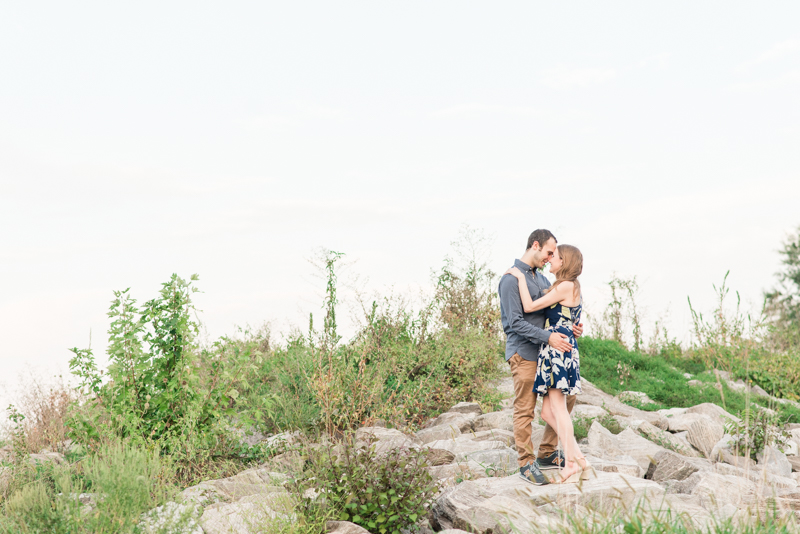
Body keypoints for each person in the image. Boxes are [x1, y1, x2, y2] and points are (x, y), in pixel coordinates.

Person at [498, 229, 583, 485]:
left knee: (566, 401)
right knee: (525, 409)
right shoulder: (510, 280)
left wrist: (573, 326)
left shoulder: (544, 280)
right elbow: (514, 322)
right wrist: (548, 337)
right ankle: (526, 463)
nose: (549, 258)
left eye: (552, 255)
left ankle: (547, 453)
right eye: (548, 252)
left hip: (547, 353)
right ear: (535, 245)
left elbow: (557, 309)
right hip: (523, 352)